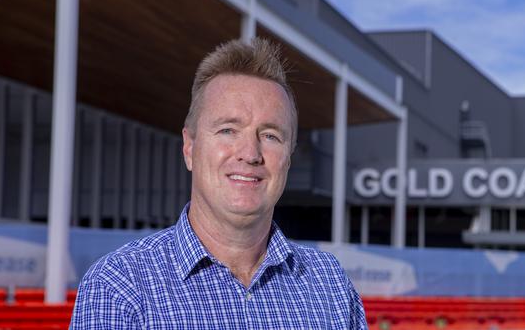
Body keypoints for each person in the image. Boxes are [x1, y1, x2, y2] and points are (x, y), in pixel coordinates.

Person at [70, 38, 367, 329]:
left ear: (288, 158)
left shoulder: (332, 288)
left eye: (270, 136)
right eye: (228, 130)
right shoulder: (120, 287)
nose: (250, 154)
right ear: (189, 148)